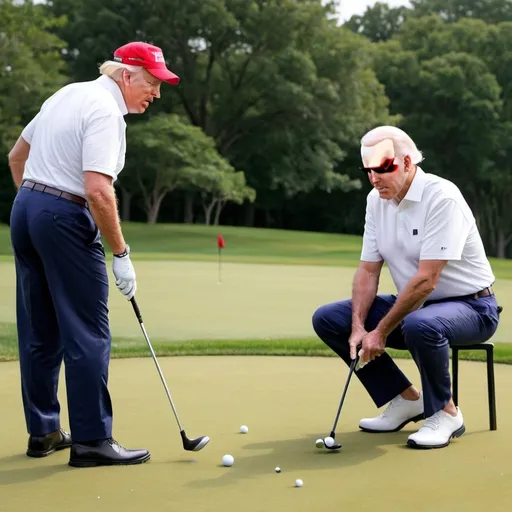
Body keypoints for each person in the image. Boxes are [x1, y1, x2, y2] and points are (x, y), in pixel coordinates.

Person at [7, 41, 180, 467]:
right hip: (63, 214)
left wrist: (36, 204)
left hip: (26, 209)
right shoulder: (106, 111)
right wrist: (121, 254)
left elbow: (17, 156)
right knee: (86, 332)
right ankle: (91, 440)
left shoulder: (66, 93)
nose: (156, 94)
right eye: (152, 83)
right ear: (125, 74)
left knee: (39, 329)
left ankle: (44, 431)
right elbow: (98, 190)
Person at [312, 126, 500, 449]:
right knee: (329, 318)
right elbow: (368, 271)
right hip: (417, 309)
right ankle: (407, 398)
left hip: (473, 308)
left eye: (383, 168)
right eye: (368, 170)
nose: (374, 178)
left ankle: (446, 412)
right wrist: (359, 326)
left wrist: (381, 331)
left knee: (419, 323)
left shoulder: (442, 197)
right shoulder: (376, 201)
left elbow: (427, 280)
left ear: (408, 162)